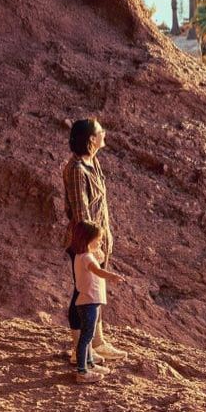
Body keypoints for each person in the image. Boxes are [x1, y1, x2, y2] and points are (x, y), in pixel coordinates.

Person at [63, 118, 125, 364]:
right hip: (84, 243)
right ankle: (78, 350)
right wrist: (91, 246)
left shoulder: (93, 162)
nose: (104, 133)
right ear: (91, 139)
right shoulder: (77, 170)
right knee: (82, 293)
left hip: (96, 240)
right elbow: (81, 213)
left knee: (94, 291)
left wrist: (103, 240)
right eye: (100, 131)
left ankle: (96, 342)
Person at [68, 222, 123, 380]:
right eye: (98, 240)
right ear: (87, 239)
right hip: (88, 302)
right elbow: (97, 271)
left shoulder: (84, 256)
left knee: (89, 335)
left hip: (91, 301)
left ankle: (89, 364)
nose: (100, 243)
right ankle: (82, 371)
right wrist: (112, 276)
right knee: (86, 337)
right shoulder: (86, 257)